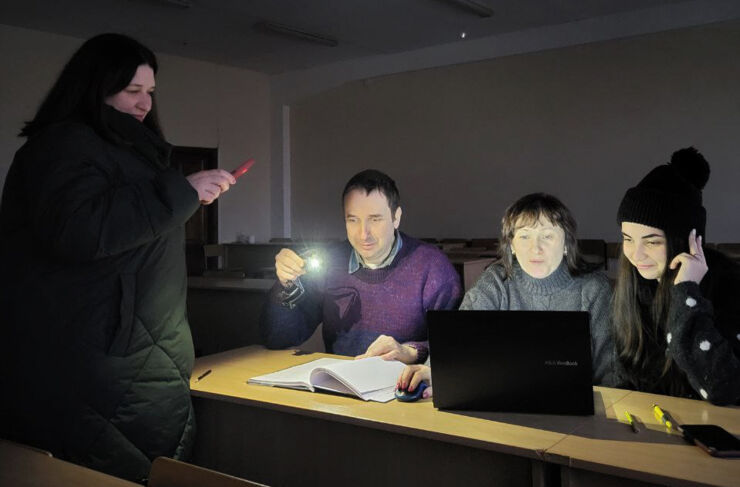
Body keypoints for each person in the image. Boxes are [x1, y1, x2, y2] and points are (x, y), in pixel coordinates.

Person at [0, 34, 236, 481]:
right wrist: (179, 191)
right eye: (132, 91)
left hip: (128, 355)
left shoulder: (121, 150)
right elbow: (79, 231)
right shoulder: (65, 145)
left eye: (150, 92)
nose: (145, 104)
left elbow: (123, 227)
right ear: (96, 86)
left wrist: (179, 194)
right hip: (99, 363)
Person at [399, 193, 615, 398]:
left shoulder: (594, 289)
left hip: (578, 414)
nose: (535, 248)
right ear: (511, 245)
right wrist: (434, 371)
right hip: (503, 402)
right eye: (524, 236)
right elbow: (460, 338)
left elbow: (611, 373)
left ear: (567, 244)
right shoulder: (496, 280)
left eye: (547, 236)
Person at [259, 169, 463, 364]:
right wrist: (285, 286)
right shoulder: (331, 262)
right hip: (340, 385)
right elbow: (278, 338)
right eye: (353, 220)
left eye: (375, 219)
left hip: (403, 389)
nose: (363, 234)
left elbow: (455, 346)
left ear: (396, 217)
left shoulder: (432, 267)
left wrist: (409, 352)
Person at [613, 147, 740, 405]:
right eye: (628, 239)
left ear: (686, 240)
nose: (636, 255)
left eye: (652, 241)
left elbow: (725, 389)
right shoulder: (637, 286)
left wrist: (687, 292)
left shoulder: (729, 287)